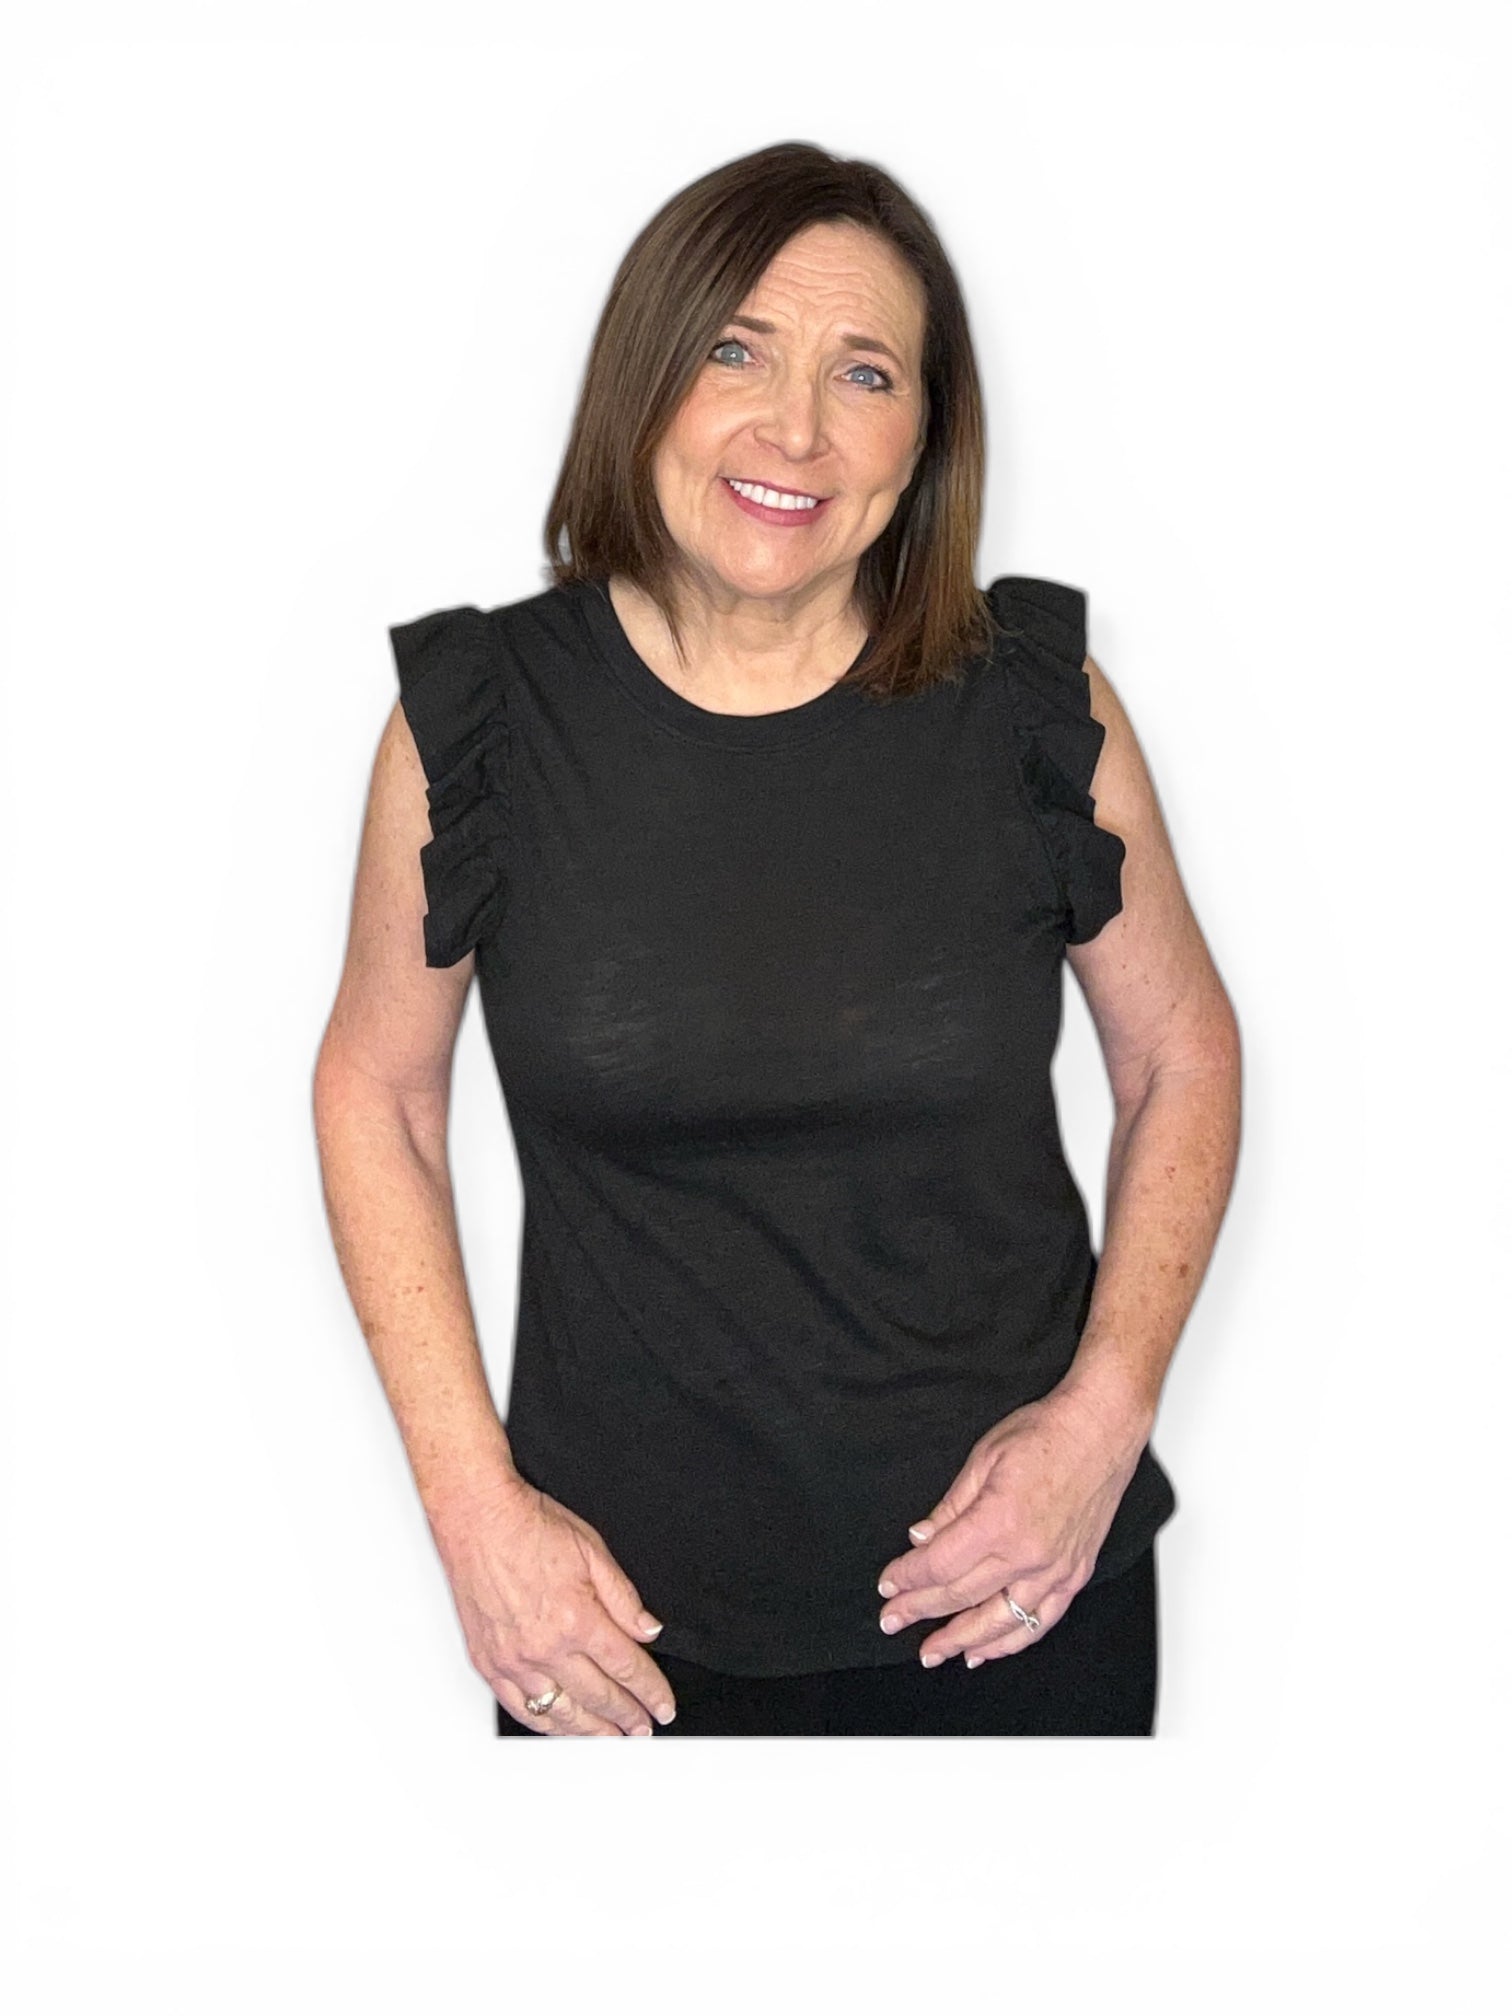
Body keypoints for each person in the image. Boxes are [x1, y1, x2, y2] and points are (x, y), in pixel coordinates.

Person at [313, 142, 1242, 1738]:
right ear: (646, 378)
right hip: (605, 1631)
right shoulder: (477, 722)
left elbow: (1181, 1055)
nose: (795, 429)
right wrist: (471, 1507)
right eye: (737, 351)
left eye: (863, 373)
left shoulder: (1036, 704)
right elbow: (378, 1094)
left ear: (923, 437)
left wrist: (1104, 1420)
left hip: (1015, 1599)